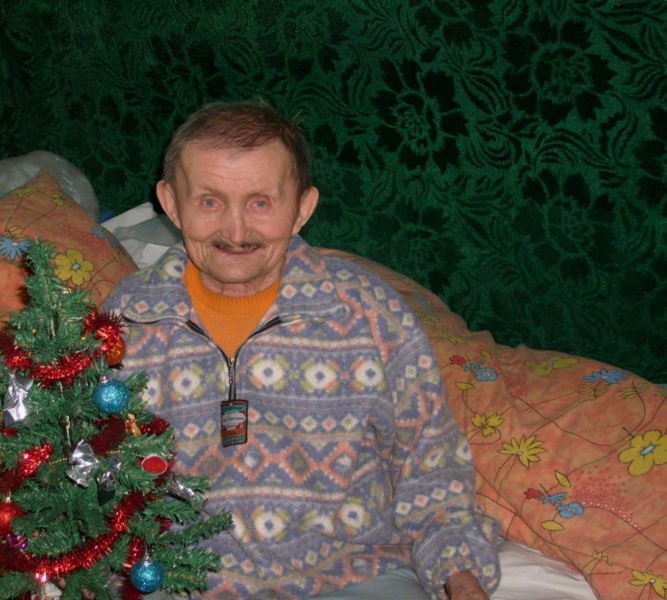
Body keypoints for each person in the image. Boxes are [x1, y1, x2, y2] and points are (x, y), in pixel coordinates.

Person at [102, 101, 501, 599]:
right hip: (181, 576)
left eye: (260, 203)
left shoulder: (366, 313)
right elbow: (90, 463)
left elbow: (430, 461)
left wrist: (459, 571)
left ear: (302, 208)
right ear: (171, 202)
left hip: (353, 571)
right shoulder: (129, 318)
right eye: (209, 202)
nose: (236, 231)